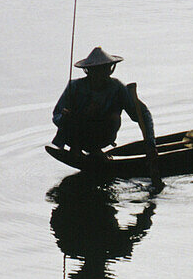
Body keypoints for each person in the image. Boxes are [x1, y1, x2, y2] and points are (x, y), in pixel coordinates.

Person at [52, 47, 163, 187]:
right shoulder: (75, 87)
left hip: (102, 135)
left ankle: (95, 151)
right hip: (76, 135)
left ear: (110, 69)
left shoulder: (117, 88)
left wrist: (150, 144)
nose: (101, 74)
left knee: (114, 117)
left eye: (104, 69)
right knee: (73, 116)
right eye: (97, 70)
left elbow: (143, 114)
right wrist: (64, 117)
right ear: (89, 71)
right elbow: (56, 116)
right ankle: (78, 151)